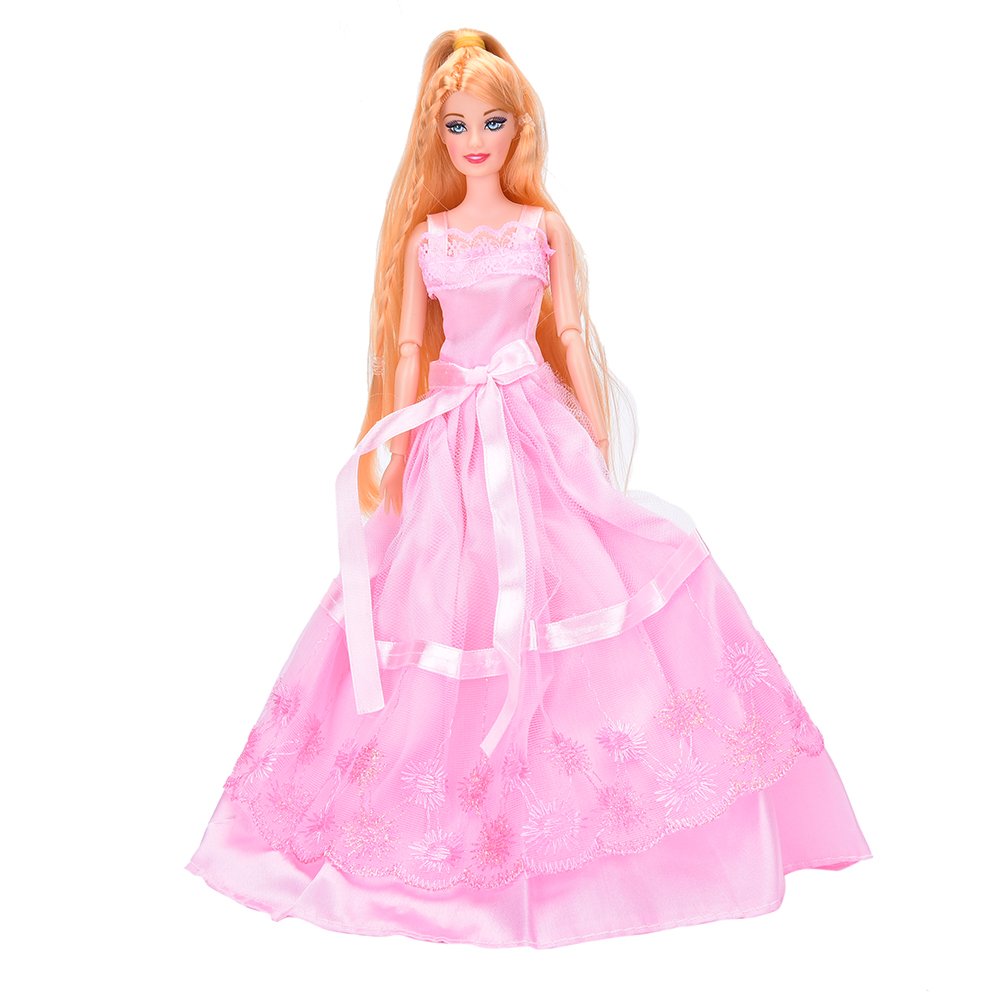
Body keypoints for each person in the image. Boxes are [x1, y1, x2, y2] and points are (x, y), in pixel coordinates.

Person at [186, 28, 871, 949]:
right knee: (440, 601)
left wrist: (595, 445)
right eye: (457, 124)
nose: (475, 140)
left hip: (534, 434)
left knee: (582, 589)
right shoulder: (426, 239)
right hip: (451, 441)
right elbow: (407, 349)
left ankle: (595, 825)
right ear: (435, 132)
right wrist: (395, 442)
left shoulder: (542, 229)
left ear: (519, 128)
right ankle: (439, 832)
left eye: (492, 122)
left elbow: (574, 337)